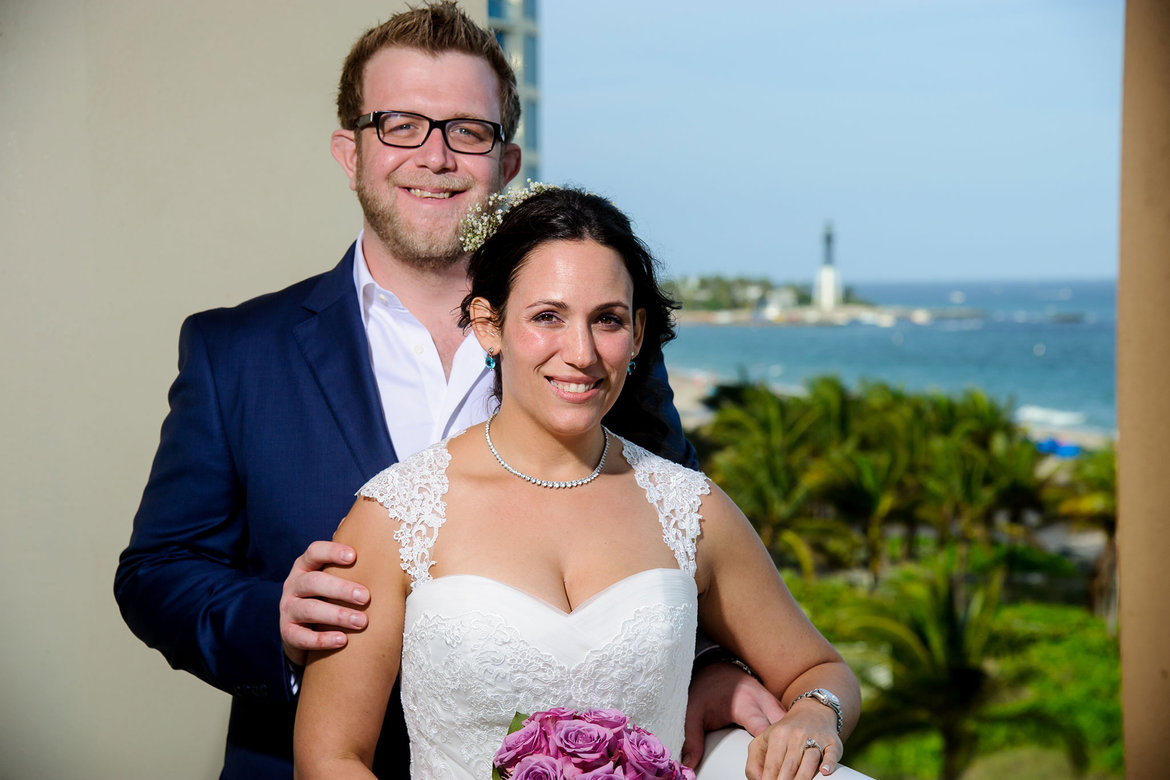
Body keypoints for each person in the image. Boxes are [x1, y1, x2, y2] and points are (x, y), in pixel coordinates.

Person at [114, 4, 779, 778]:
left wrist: (705, 663)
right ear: (349, 151)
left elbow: (674, 536)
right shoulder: (235, 352)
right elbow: (156, 571)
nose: (434, 157)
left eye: (468, 130)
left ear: (508, 160)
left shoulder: (588, 347)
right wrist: (271, 620)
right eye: (399, 124)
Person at [293, 185, 862, 780]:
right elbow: (331, 756)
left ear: (638, 333)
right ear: (489, 325)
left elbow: (820, 672)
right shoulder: (396, 514)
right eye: (547, 317)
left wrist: (816, 716)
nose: (582, 352)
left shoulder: (691, 509)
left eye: (608, 320)